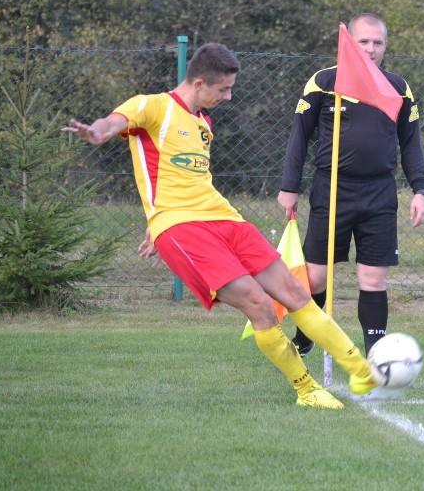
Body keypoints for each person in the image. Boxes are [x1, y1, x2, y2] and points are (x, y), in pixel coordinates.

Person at [62, 42, 377, 409]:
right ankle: (307, 391)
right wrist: (98, 132)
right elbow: (113, 123)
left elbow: (180, 178)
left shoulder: (203, 123)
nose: (228, 96)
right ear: (198, 83)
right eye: (223, 89)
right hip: (183, 229)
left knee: (294, 292)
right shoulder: (152, 106)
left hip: (226, 219)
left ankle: (361, 369)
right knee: (259, 303)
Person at [277, 13, 424, 357]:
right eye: (363, 42)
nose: (371, 49)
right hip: (331, 191)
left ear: (386, 46)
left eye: (378, 43)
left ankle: (377, 358)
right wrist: (289, 186)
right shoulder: (323, 82)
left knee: (373, 280)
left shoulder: (397, 88)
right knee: (315, 278)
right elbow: (298, 138)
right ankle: (304, 340)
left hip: (379, 194)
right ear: (350, 44)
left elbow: (412, 143)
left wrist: (420, 190)